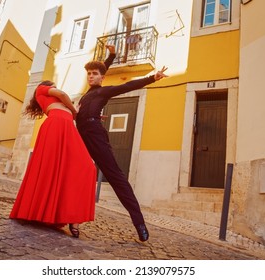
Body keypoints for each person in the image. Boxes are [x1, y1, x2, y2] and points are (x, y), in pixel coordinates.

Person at [76, 51, 168, 241]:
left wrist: (153, 78)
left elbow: (128, 85)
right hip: (79, 136)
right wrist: (110, 57)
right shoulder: (87, 94)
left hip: (95, 135)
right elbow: (103, 70)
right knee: (75, 175)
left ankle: (139, 223)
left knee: (116, 178)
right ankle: (71, 217)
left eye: (94, 74)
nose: (91, 76)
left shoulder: (104, 90)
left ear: (102, 77)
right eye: (89, 74)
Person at [9, 80, 96, 238]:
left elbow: (70, 108)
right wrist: (73, 110)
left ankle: (73, 216)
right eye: (53, 86)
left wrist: (87, 115)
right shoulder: (42, 89)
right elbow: (62, 94)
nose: (55, 88)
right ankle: (43, 213)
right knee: (51, 169)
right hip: (56, 125)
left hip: (68, 128)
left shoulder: (59, 102)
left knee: (87, 168)